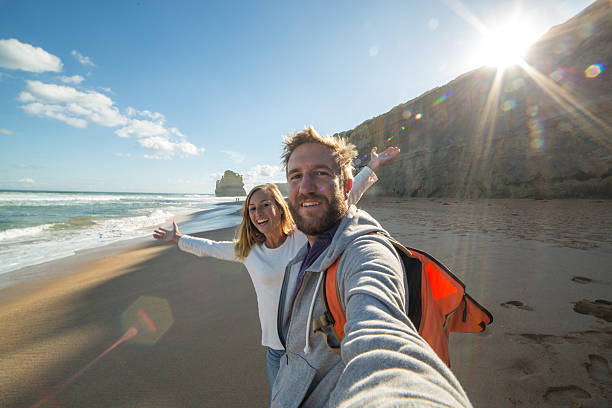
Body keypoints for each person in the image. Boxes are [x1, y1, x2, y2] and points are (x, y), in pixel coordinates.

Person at [152, 145, 399, 393]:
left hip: (310, 347)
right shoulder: (249, 251)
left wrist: (372, 167)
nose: (258, 213)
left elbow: (343, 200)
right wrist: (178, 238)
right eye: (252, 209)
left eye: (265, 205)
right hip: (275, 350)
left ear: (280, 209)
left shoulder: (302, 237)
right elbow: (211, 247)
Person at [273, 126, 472, 407]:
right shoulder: (302, 254)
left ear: (345, 185)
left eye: (320, 173)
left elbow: (383, 338)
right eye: (296, 176)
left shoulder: (365, 252)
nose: (305, 187)